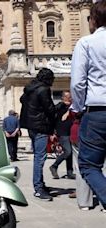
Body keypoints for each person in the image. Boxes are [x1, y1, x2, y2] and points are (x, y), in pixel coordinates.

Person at [70, 0, 106, 213]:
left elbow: (77, 82)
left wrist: (78, 106)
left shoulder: (86, 43)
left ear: (94, 19)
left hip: (98, 111)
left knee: (89, 165)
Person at [20, 68, 60, 201]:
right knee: (40, 158)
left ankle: (40, 184)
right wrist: (60, 106)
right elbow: (50, 109)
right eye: (52, 79)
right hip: (40, 126)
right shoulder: (43, 89)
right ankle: (38, 188)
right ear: (48, 78)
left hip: (31, 126)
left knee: (38, 156)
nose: (53, 81)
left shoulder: (30, 88)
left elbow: (21, 100)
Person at [49, 91, 75, 179]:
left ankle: (70, 172)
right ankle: (54, 166)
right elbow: (54, 114)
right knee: (68, 152)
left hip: (70, 132)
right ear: (63, 97)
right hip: (62, 132)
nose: (70, 98)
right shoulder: (60, 106)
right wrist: (52, 133)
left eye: (70, 96)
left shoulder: (72, 106)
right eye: (68, 96)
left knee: (70, 153)